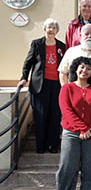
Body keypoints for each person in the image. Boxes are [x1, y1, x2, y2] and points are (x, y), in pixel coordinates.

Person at [56, 57, 91, 190]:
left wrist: (90, 129)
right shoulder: (67, 88)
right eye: (82, 67)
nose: (85, 70)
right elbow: (66, 110)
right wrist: (83, 128)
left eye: (88, 69)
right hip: (71, 134)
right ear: (76, 69)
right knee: (67, 168)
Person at [18, 18, 65, 154]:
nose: (51, 30)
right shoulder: (37, 44)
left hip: (57, 85)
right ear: (44, 29)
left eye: (54, 28)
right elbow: (28, 63)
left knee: (55, 115)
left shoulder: (61, 46)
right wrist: (23, 78)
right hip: (40, 85)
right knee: (41, 116)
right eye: (49, 27)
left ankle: (53, 146)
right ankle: (41, 146)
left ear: (57, 31)